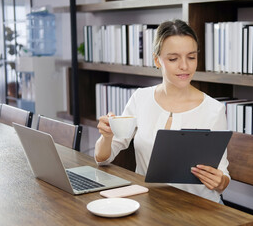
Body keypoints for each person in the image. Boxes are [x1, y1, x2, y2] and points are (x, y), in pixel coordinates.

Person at [95, 19, 230, 203]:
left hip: (198, 207)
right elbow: (102, 158)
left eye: (191, 57)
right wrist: (107, 136)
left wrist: (219, 180)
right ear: (157, 60)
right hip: (149, 204)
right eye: (173, 58)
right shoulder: (140, 98)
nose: (185, 66)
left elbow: (223, 179)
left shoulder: (214, 109)